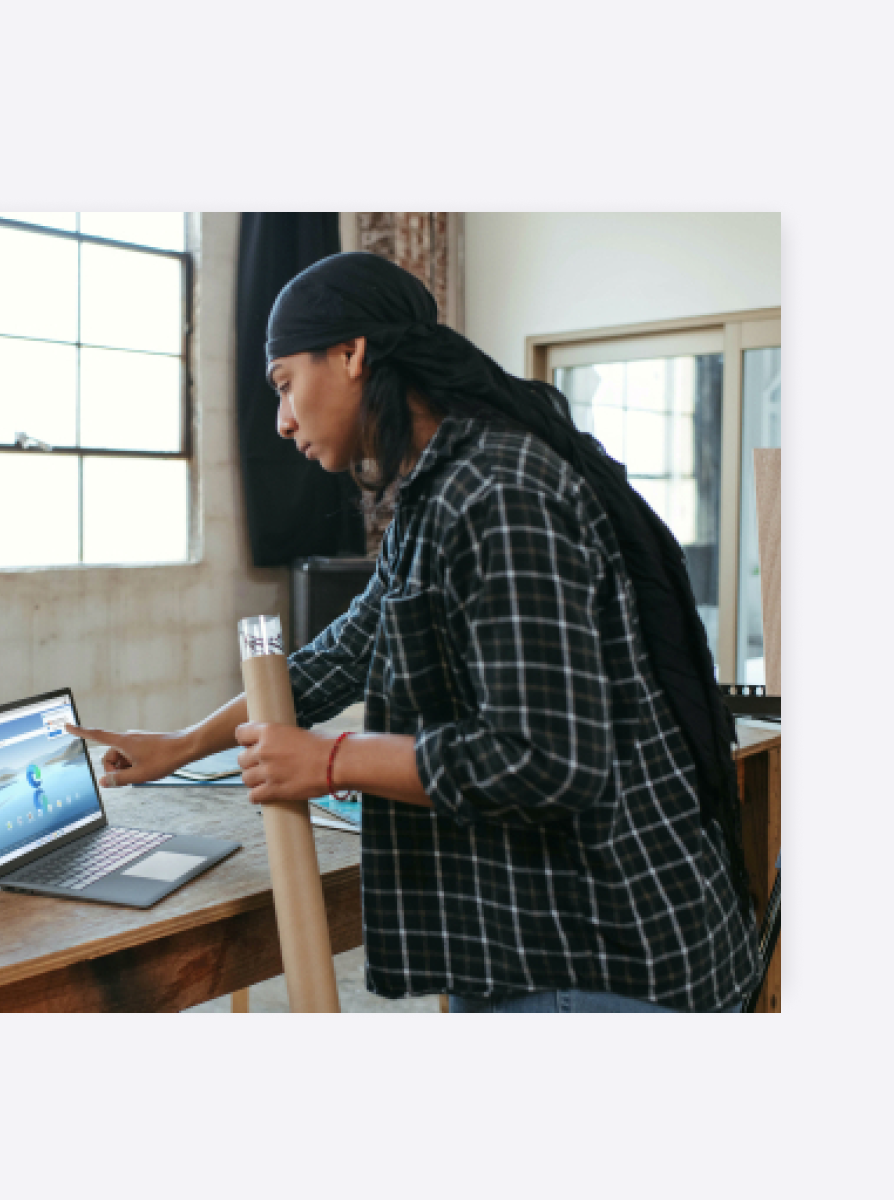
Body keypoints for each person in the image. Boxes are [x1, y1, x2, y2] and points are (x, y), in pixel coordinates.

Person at [67, 252, 760, 1013]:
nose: (282, 420)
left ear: (351, 354)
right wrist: (182, 744)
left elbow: (544, 763)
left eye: (284, 384)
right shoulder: (438, 492)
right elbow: (338, 657)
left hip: (601, 957)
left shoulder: (497, 492)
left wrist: (332, 759)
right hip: (551, 947)